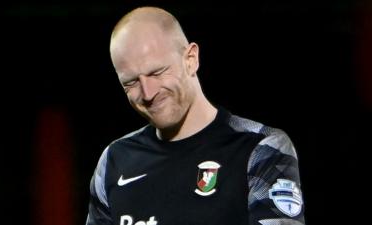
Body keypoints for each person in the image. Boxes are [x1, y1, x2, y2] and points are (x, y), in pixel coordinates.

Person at [86, 6, 305, 225]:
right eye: (131, 82)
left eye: (157, 72)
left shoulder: (260, 148)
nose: (148, 93)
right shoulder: (114, 161)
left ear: (191, 59)